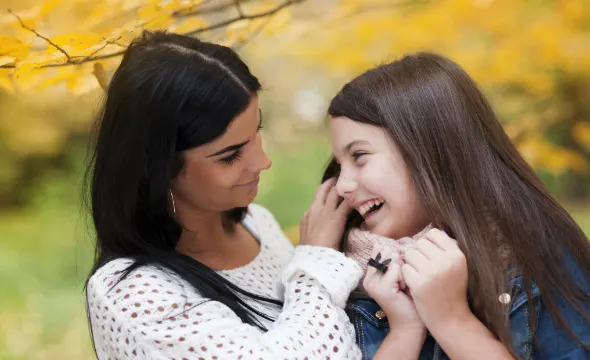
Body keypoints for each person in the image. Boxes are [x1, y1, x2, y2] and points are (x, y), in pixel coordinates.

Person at [83, 30, 366, 359]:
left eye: (256, 131)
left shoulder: (257, 222)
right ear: (158, 169)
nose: (263, 162)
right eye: (230, 155)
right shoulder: (131, 293)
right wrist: (316, 262)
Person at [323, 52, 590, 359]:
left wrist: (451, 320)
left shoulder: (538, 256)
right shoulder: (352, 276)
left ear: (428, 148)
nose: (343, 184)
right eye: (339, 164)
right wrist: (404, 330)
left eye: (359, 156)